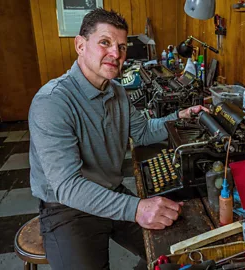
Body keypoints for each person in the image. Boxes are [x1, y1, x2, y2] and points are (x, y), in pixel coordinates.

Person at [28, 8, 208, 270]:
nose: (116, 53)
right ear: (80, 45)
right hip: (67, 209)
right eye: (105, 42)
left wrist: (180, 116)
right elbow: (66, 186)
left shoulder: (117, 93)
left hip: (111, 192)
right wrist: (136, 209)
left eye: (122, 47)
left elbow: (144, 131)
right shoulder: (52, 102)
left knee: (179, 253)